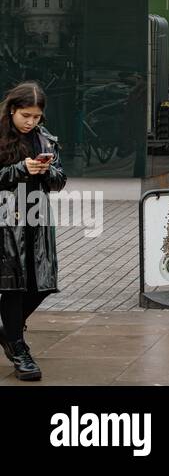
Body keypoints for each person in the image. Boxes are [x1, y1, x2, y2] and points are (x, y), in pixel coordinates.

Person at [0, 81, 67, 381]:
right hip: (4, 220)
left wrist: (47, 170)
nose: (31, 122)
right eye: (25, 115)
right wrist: (19, 170)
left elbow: (60, 180)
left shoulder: (45, 139)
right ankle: (18, 348)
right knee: (13, 285)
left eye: (36, 116)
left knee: (42, 285)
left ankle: (8, 331)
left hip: (36, 220)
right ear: (12, 109)